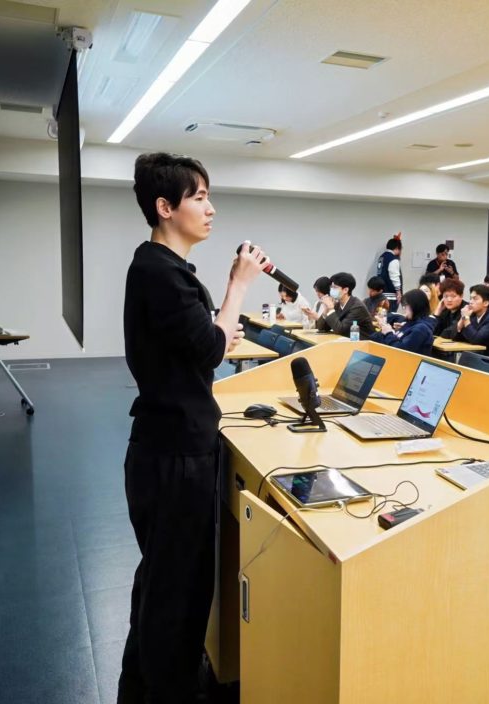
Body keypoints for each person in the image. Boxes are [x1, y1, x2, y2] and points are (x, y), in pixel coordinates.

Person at [121, 153, 269, 702]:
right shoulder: (159, 272)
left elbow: (203, 343)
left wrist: (216, 329)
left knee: (163, 585)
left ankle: (146, 687)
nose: (211, 209)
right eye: (200, 197)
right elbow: (210, 349)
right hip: (175, 457)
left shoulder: (164, 269)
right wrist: (238, 285)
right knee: (175, 597)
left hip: (169, 447)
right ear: (166, 207)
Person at [371, 289, 435, 355]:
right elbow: (373, 339)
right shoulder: (409, 323)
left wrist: (388, 333)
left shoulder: (421, 329)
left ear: (416, 306)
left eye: (406, 305)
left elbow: (401, 351)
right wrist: (386, 330)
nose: (404, 308)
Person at [314, 272, 375, 337]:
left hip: (362, 341)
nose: (331, 290)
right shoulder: (337, 305)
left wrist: (331, 309)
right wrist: (326, 311)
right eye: (331, 287)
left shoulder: (357, 307)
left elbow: (341, 330)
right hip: (345, 340)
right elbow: (321, 328)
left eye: (335, 287)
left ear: (345, 290)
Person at [453, 284, 489, 358]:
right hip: (476, 356)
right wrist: (461, 321)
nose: (470, 302)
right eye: (470, 298)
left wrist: (466, 318)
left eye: (475, 299)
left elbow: (476, 339)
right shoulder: (472, 315)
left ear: (486, 303)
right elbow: (456, 337)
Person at [375, 236, 403, 311]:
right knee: (390, 316)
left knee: (382, 315)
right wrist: (399, 292)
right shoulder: (392, 259)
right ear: (397, 248)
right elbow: (394, 277)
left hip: (381, 293)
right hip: (390, 296)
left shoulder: (382, 257)